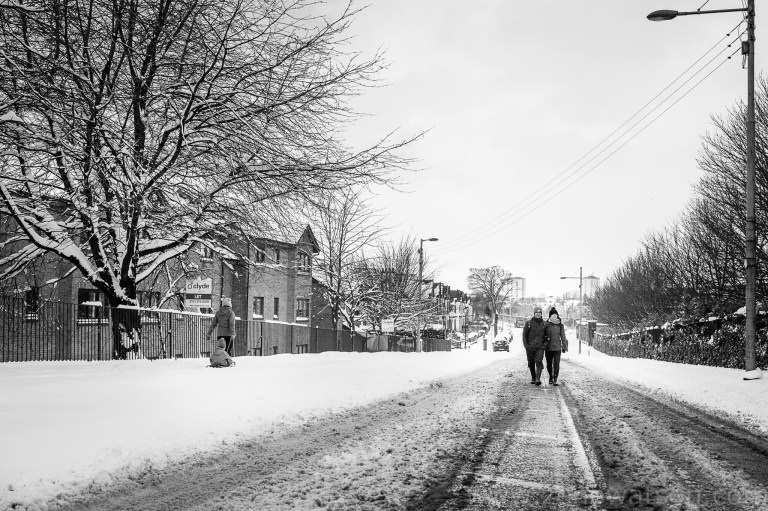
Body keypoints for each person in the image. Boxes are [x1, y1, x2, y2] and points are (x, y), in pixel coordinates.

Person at [522, 306, 547, 385]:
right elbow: (524, 335)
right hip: (530, 347)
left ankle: (538, 379)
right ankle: (533, 376)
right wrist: (526, 345)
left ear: (541, 314)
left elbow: (547, 336)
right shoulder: (528, 323)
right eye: (536, 313)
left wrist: (544, 345)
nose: (538, 314)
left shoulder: (545, 324)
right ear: (534, 313)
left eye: (539, 313)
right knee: (531, 362)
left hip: (540, 347)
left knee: (539, 361)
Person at [543, 307, 568, 386]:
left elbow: (563, 336)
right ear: (550, 316)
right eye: (552, 315)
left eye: (555, 314)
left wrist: (564, 346)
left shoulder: (560, 325)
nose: (554, 316)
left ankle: (555, 378)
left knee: (556, 364)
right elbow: (542, 335)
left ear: (557, 315)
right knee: (549, 364)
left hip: (557, 347)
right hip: (548, 347)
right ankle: (550, 376)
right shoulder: (546, 324)